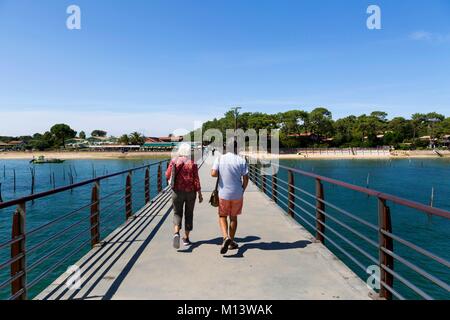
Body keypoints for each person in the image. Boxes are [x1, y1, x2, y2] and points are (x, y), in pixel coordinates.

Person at [211, 139, 249, 255]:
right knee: (233, 218)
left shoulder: (220, 158)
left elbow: (213, 173)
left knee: (222, 216)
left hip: (223, 193)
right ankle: (231, 241)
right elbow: (246, 179)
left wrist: (221, 173)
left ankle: (225, 237)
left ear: (226, 147)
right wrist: (242, 190)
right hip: (237, 193)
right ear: (236, 148)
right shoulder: (241, 160)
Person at [166, 143, 203, 249]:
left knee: (177, 213)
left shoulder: (174, 161)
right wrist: (199, 194)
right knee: (189, 214)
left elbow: (167, 175)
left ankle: (176, 233)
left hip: (177, 191)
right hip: (191, 192)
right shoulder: (193, 163)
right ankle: (186, 239)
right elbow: (196, 180)